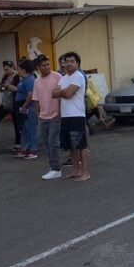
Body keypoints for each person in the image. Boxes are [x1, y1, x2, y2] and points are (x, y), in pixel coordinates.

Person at [54, 51, 91, 181]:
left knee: (81, 145)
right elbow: (53, 93)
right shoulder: (63, 78)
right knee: (71, 145)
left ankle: (85, 172)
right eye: (66, 61)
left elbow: (68, 94)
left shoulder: (78, 76)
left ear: (77, 63)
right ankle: (75, 170)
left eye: (71, 61)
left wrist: (62, 91)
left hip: (77, 115)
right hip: (66, 116)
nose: (68, 64)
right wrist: (63, 91)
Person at [32, 54, 64, 180]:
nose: (47, 67)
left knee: (53, 142)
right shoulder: (37, 81)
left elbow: (62, 94)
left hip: (55, 115)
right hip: (43, 116)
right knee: (45, 142)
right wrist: (38, 115)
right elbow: (36, 99)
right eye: (44, 65)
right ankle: (52, 167)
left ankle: (56, 169)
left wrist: (61, 112)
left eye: (48, 64)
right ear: (38, 67)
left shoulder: (57, 76)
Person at [13, 59, 38, 160]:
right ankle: (24, 148)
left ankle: (32, 149)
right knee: (24, 128)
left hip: (29, 107)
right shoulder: (23, 79)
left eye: (19, 69)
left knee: (31, 128)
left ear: (24, 69)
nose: (17, 71)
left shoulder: (30, 79)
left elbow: (30, 94)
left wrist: (24, 106)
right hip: (22, 106)